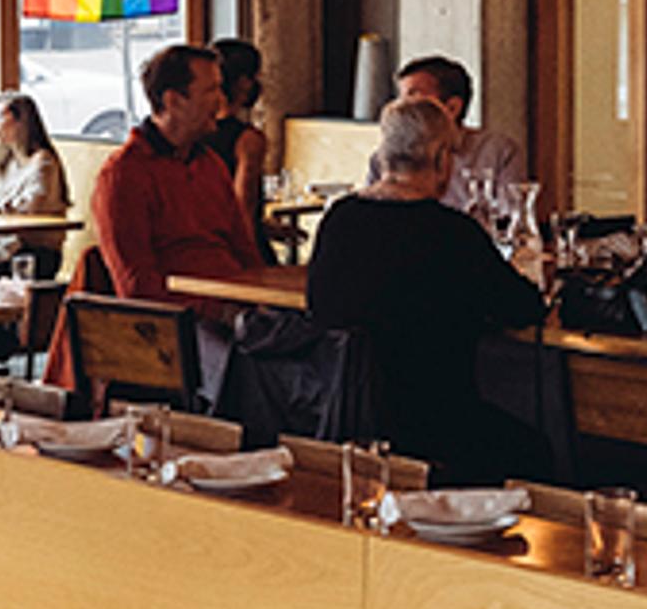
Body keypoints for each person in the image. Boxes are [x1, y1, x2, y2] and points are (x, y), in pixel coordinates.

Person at [305, 98, 547, 484]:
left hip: (344, 416)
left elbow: (318, 305)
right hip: (436, 426)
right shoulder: (451, 233)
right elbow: (523, 307)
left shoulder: (340, 219)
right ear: (439, 158)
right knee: (541, 450)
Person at [89, 42, 263, 309]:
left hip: (238, 308)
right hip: (178, 327)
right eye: (211, 90)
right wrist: (221, 313)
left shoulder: (210, 165)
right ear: (173, 101)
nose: (221, 100)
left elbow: (246, 254)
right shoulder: (124, 174)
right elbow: (136, 286)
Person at [382, 56, 528, 215]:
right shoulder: (388, 154)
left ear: (452, 108)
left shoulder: (500, 152)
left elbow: (511, 218)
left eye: (413, 97)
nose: (401, 109)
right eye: (400, 99)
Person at [0, 92, 71, 219]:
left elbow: (30, 208)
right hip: (3, 234)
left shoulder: (43, 163)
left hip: (31, 236)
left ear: (21, 122)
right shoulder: (4, 157)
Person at [208, 38, 272, 237]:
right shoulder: (248, 140)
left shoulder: (193, 133)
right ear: (244, 83)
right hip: (234, 250)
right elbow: (243, 210)